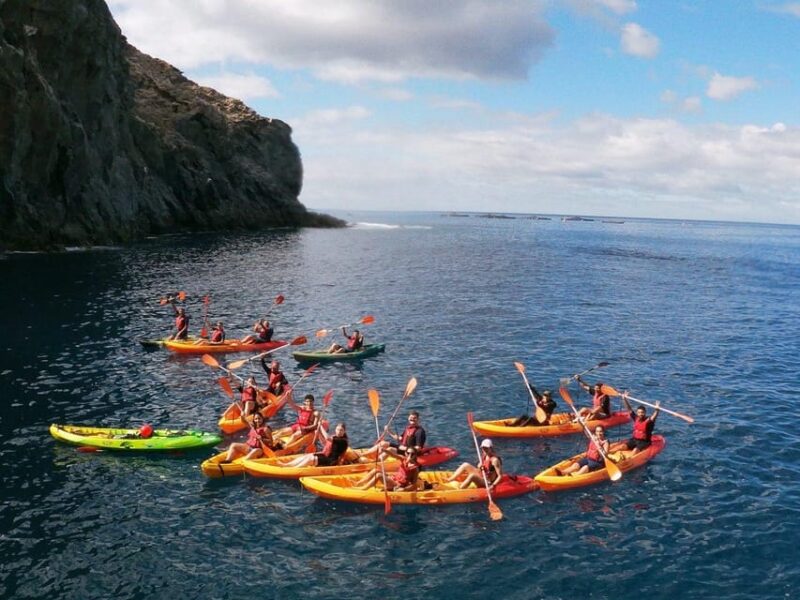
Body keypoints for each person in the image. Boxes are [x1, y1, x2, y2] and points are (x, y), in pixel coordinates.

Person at [282, 422, 351, 468]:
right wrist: (318, 434)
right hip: (325, 455)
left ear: (344, 431)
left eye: (341, 430)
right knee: (307, 456)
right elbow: (325, 443)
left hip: (331, 460)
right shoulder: (334, 437)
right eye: (338, 429)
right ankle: (287, 465)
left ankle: (294, 469)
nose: (339, 431)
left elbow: (327, 437)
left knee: (310, 459)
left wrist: (320, 426)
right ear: (335, 430)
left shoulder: (343, 440)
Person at [356, 446, 421, 491]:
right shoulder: (403, 458)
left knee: (379, 475)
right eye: (408, 453)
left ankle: (364, 488)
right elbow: (393, 455)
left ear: (415, 455)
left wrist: (404, 489)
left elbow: (413, 485)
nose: (410, 455)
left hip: (397, 485)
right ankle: (359, 483)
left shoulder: (415, 468)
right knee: (376, 470)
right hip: (393, 479)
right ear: (405, 453)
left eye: (412, 454)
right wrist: (384, 450)